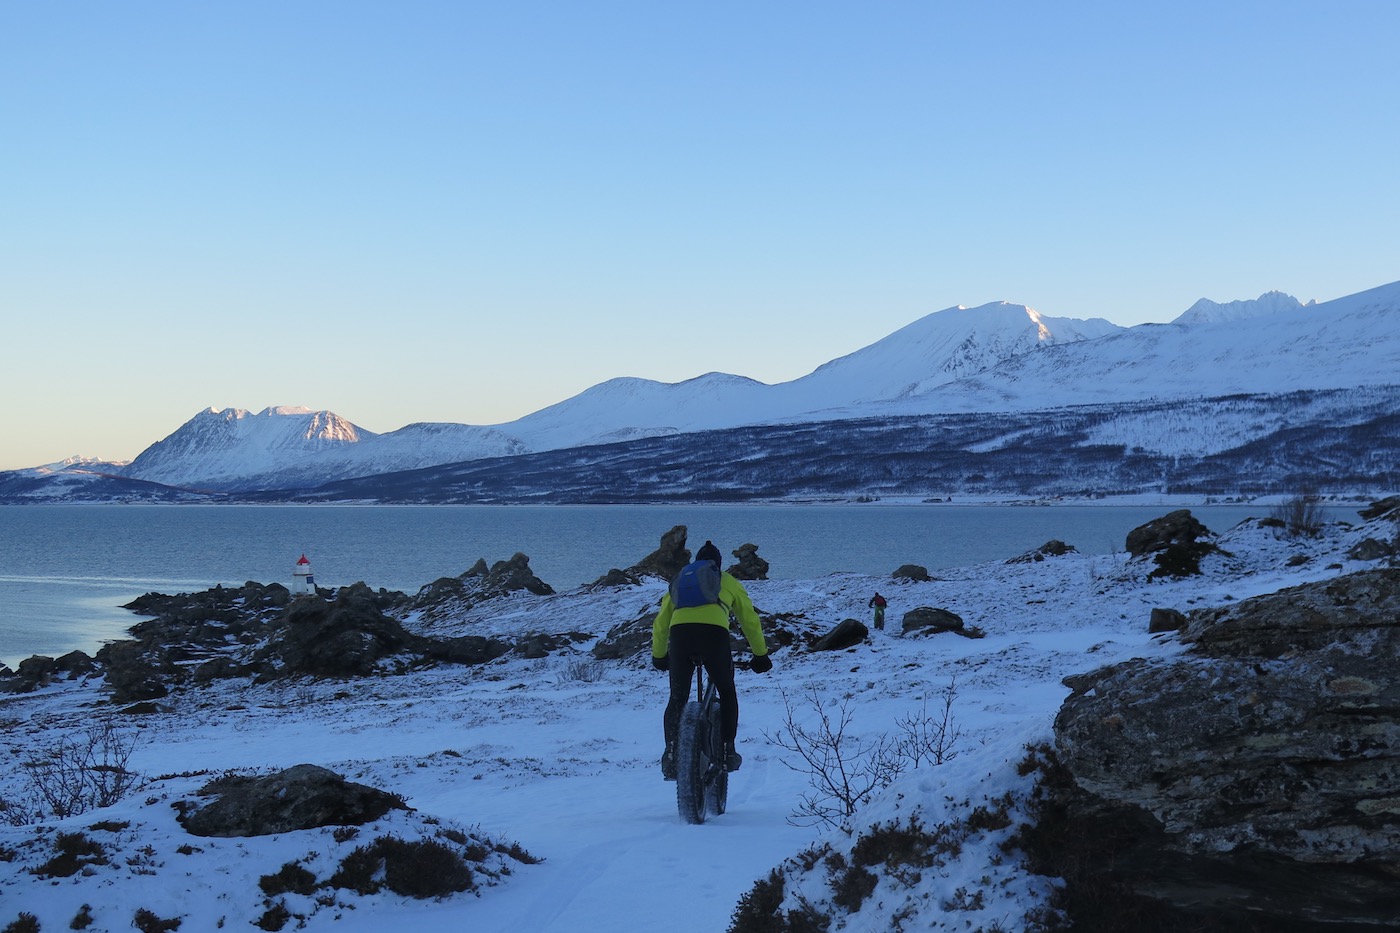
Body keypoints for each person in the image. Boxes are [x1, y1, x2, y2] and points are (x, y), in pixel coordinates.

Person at [652, 540, 772, 779]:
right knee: (726, 691)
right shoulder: (727, 581)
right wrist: (760, 655)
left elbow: (661, 622)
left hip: (680, 636)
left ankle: (672, 753)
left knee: (677, 697)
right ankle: (727, 751)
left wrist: (659, 655)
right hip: (713, 636)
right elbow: (749, 621)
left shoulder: (681, 580)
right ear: (718, 564)